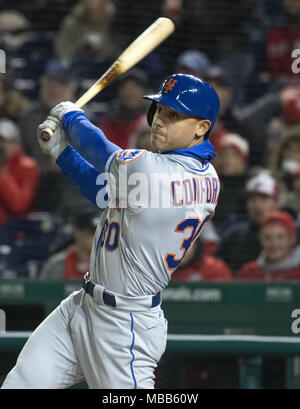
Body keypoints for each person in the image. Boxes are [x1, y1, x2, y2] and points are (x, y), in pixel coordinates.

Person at [1, 73, 221, 389]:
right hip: (83, 307)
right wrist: (61, 153)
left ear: (202, 127)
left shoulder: (153, 170)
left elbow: (98, 148)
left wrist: (69, 114)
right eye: (160, 110)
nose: (160, 120)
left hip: (125, 326)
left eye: (174, 116)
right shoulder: (206, 177)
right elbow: (104, 194)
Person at [19, 59, 78, 173]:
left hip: (74, 183)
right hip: (37, 181)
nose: (54, 90)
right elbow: (22, 155)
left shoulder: (84, 118)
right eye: (50, 84)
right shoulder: (29, 116)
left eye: (60, 85)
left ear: (71, 88)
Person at [215, 172, 281, 273]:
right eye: (252, 199)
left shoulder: (291, 234)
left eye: (264, 198)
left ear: (277, 203)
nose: (257, 205)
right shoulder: (234, 236)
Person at [237, 210, 300, 281]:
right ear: (260, 239)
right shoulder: (248, 272)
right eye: (267, 237)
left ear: (292, 239)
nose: (274, 243)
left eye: (280, 237)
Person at [0, 118, 40, 224]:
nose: (2, 146)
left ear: (16, 143)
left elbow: (19, 206)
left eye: (6, 142)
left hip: (15, 228)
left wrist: (3, 175)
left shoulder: (28, 167)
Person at [39, 211, 98, 280]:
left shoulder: (104, 264)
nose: (97, 238)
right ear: (78, 233)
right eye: (92, 233)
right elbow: (43, 289)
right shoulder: (57, 263)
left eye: (99, 234)